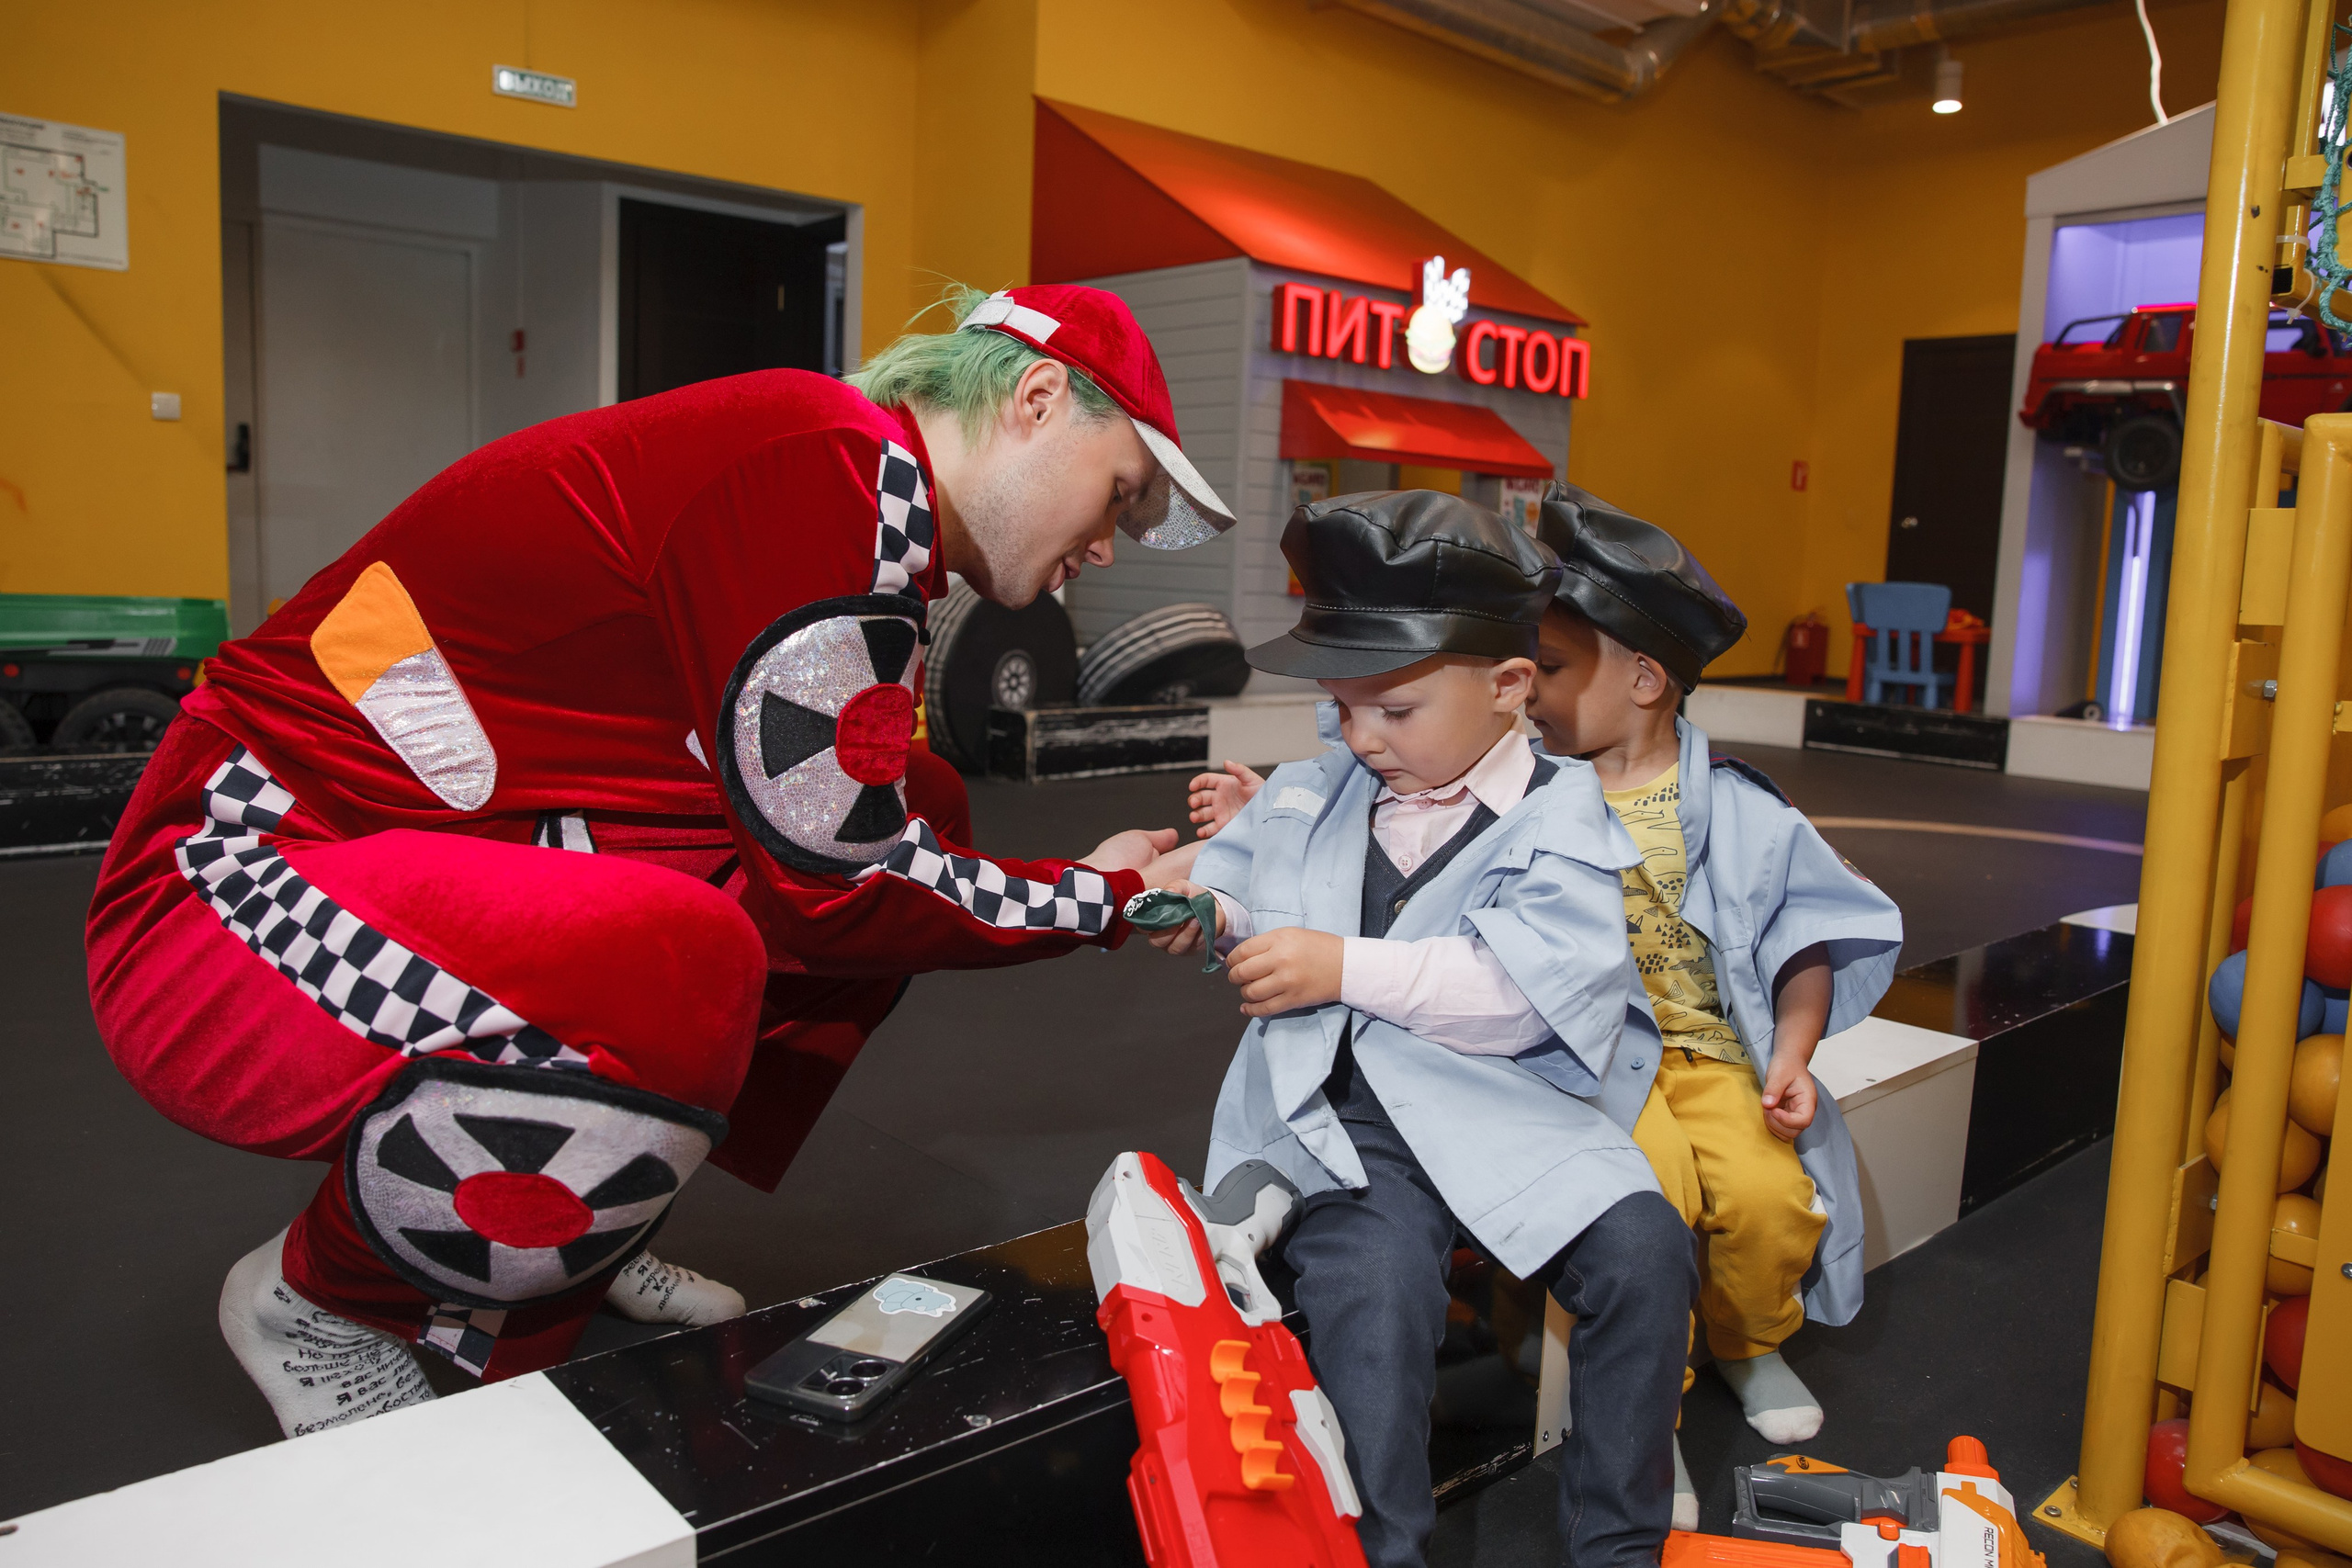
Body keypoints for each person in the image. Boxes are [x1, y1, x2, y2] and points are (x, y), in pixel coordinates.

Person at [85, 282, 1232, 1438]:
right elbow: (843, 885)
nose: (1104, 546)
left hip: (438, 837)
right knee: (676, 955)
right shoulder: (825, 473)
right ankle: (321, 1299)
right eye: (1118, 495)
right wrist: (1110, 896)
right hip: (227, 876)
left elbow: (848, 841)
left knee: (912, 799)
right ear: (1036, 400)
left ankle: (582, 1232)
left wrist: (1088, 888)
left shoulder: (850, 481)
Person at [1146, 490, 1697, 1568]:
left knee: (1644, 1249)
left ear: (1506, 688)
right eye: (1341, 707)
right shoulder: (1317, 788)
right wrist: (1216, 919)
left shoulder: (1568, 812)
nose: (1360, 737)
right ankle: (1383, 1546)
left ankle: (1619, 1542)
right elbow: (1261, 899)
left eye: (1392, 711)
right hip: (1347, 1122)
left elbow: (1515, 995)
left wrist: (1337, 964)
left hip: (1512, 1106)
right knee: (1369, 1296)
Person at [1521, 483, 1903, 1528]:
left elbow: (1803, 943)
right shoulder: (1525, 794)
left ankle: (1747, 1342)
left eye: (1551, 670)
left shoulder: (1741, 808)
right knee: (1651, 1209)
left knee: (1772, 1202)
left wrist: (1791, 1052)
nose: (1528, 692)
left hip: (1707, 1058)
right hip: (1595, 1062)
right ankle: (1645, 1411)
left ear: (1644, 680)